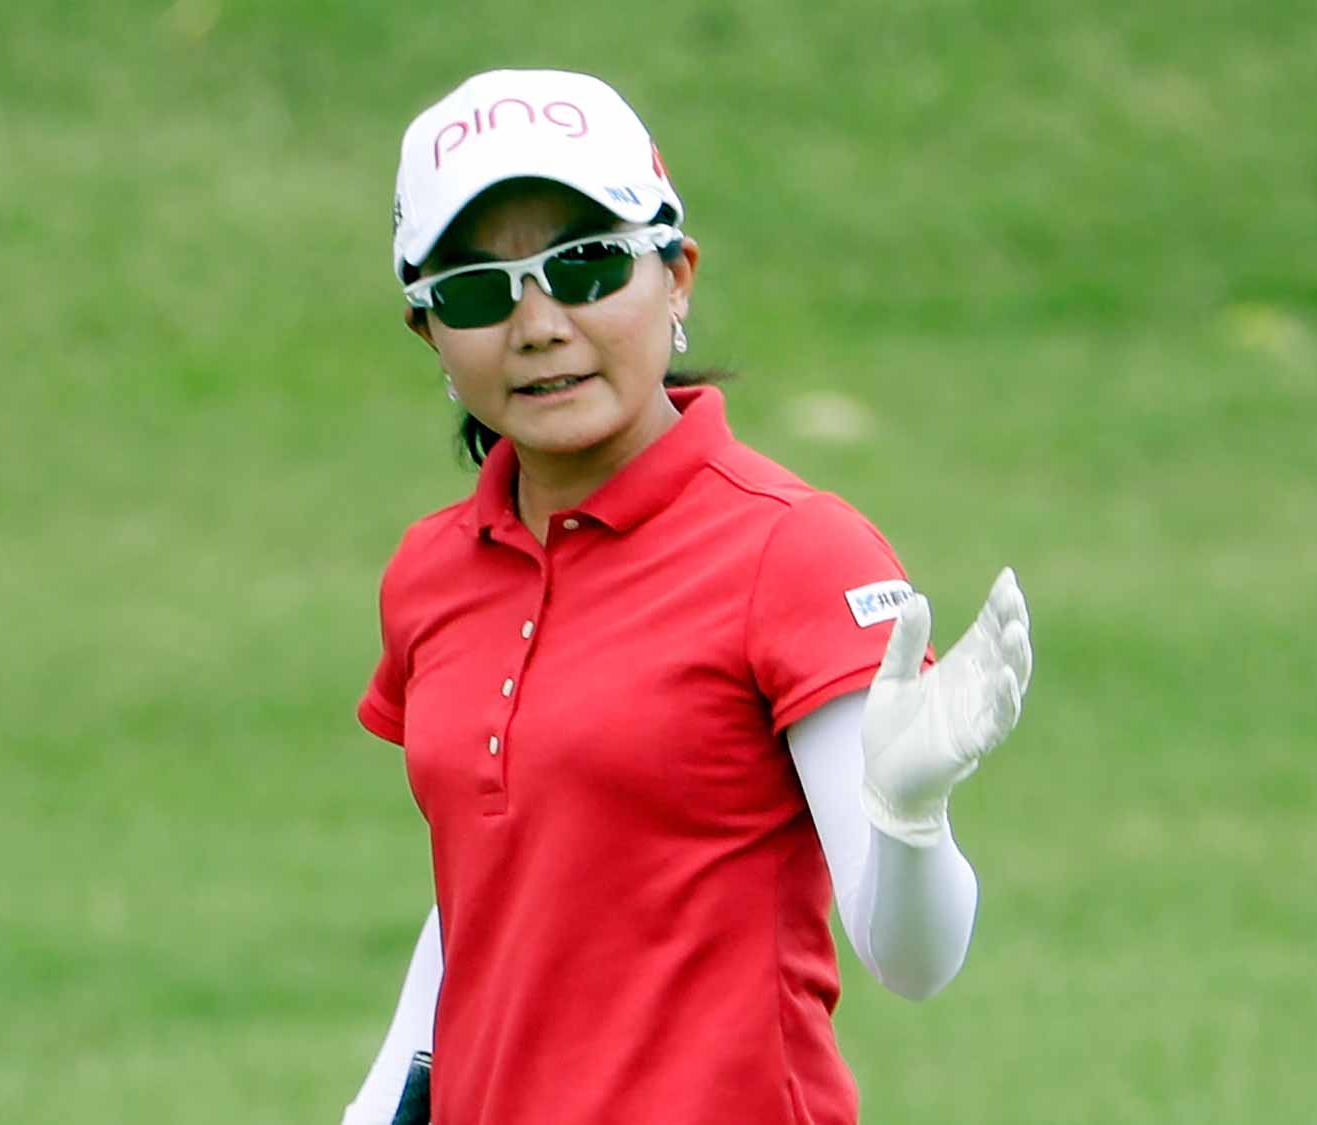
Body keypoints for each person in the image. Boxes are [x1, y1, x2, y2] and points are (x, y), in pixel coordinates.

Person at [340, 69, 1035, 1125]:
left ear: (675, 277)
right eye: (480, 290)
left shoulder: (790, 550)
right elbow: (486, 908)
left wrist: (907, 816)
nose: (535, 325)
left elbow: (913, 960)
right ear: (428, 333)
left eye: (584, 266)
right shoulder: (433, 572)